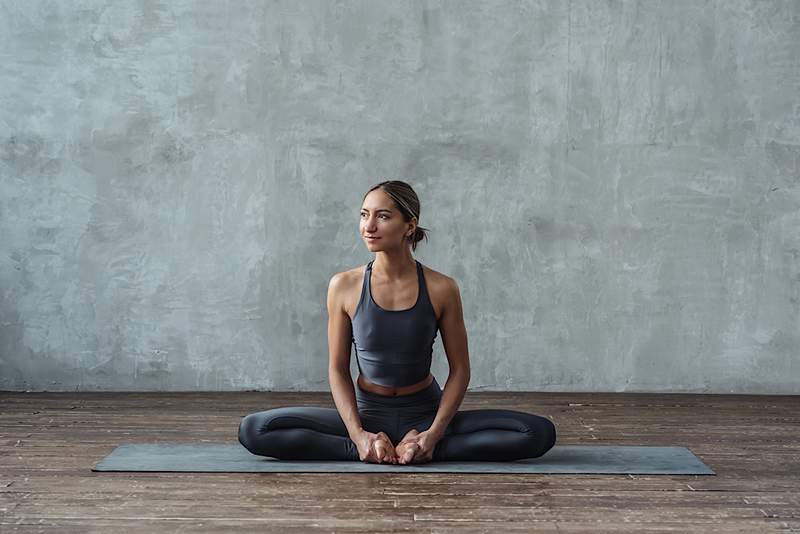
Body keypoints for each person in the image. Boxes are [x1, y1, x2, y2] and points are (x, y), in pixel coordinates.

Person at [238, 180, 557, 464]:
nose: (369, 225)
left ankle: (421, 447)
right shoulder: (344, 286)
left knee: (537, 432)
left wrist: (432, 434)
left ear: (409, 226)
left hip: (425, 413)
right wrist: (358, 435)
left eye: (383, 216)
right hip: (366, 412)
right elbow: (337, 368)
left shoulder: (441, 288)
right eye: (364, 215)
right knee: (255, 429)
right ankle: (368, 449)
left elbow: (460, 370)